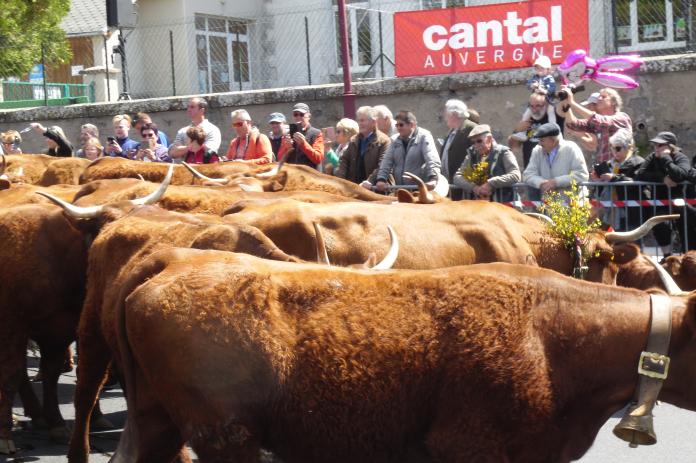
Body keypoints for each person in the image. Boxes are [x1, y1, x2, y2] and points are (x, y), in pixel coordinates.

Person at [634, 131, 692, 257]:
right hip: (661, 202)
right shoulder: (653, 157)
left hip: (681, 202)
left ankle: (688, 258)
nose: (656, 148)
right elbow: (639, 173)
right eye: (655, 145)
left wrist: (667, 159)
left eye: (660, 145)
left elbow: (681, 174)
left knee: (685, 229)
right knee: (659, 225)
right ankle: (667, 257)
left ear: (670, 146)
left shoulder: (680, 157)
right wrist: (662, 179)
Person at [560, 87, 632, 164]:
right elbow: (573, 124)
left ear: (613, 102)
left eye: (604, 97)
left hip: (620, 170)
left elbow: (601, 121)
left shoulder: (622, 117)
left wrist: (572, 102)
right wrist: (566, 105)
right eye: (599, 97)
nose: (599, 99)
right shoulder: (598, 121)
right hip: (603, 170)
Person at [374, 110, 441, 192]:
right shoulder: (395, 140)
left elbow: (432, 158)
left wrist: (433, 178)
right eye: (396, 125)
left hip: (420, 190)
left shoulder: (424, 136)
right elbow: (386, 161)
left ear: (412, 125)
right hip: (401, 190)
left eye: (401, 125)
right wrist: (381, 179)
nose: (398, 128)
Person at [591, 129, 644, 230]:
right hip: (607, 211)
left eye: (618, 148)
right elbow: (600, 191)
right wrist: (598, 181)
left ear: (629, 147)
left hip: (628, 212)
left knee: (627, 244)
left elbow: (636, 182)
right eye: (612, 148)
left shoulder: (638, 163)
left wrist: (613, 178)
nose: (614, 152)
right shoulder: (610, 164)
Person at [453, 124, 521, 202]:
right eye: (473, 142)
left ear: (489, 139)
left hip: (502, 205)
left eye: (479, 141)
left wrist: (491, 183)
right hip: (479, 206)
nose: (476, 145)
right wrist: (474, 187)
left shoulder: (504, 152)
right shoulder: (471, 154)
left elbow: (515, 175)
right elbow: (457, 176)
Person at [523, 122, 589, 198]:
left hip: (573, 205)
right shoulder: (537, 151)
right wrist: (541, 183)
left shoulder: (571, 148)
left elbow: (581, 175)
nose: (539, 143)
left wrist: (556, 182)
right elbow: (528, 175)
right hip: (549, 206)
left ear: (553, 140)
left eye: (542, 140)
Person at [334, 106, 390, 187]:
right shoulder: (354, 140)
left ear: (373, 122)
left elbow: (383, 165)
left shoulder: (384, 141)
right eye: (359, 120)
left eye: (362, 120)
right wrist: (339, 181)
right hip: (355, 188)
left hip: (375, 190)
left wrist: (369, 181)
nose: (360, 123)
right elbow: (344, 161)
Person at [509, 92, 566, 168]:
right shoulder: (527, 120)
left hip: (552, 169)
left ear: (546, 104)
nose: (534, 110)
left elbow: (565, 104)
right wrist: (517, 130)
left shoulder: (555, 117)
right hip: (530, 171)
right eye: (531, 106)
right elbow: (514, 146)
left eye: (538, 106)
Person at [511, 56, 557, 143]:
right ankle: (523, 133)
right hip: (531, 144)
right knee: (526, 114)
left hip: (548, 101)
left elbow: (551, 89)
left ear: (548, 69)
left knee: (551, 113)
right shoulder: (535, 77)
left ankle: (553, 130)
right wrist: (532, 85)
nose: (539, 70)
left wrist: (543, 90)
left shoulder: (549, 78)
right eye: (537, 68)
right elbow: (528, 84)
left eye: (542, 68)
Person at [439, 99, 477, 200]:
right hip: (451, 187)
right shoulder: (451, 132)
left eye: (446, 114)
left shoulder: (472, 129)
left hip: (465, 190)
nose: (444, 117)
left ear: (454, 114)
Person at [169, 97, 222, 162]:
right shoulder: (182, 131)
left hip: (205, 169)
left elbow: (210, 150)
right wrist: (189, 147)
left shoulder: (213, 130)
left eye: (192, 107)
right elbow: (173, 153)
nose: (188, 109)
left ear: (202, 110)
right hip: (186, 169)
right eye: (188, 107)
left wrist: (184, 148)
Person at [277, 102, 324, 168]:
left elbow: (318, 158)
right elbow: (279, 159)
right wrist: (287, 149)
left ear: (309, 116)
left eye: (301, 114)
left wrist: (304, 144)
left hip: (310, 176)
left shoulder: (316, 133)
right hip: (293, 175)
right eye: (295, 114)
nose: (298, 117)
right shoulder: (288, 133)